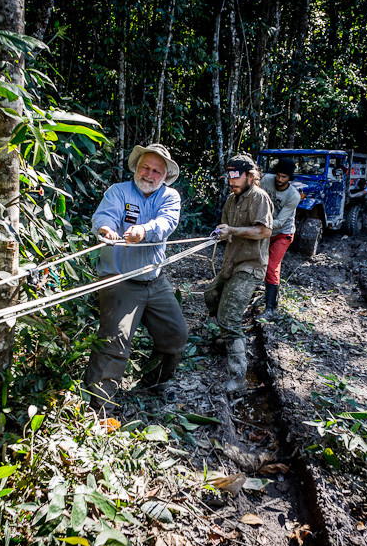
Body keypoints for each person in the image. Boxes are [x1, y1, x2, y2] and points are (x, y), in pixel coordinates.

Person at [86, 143, 189, 415]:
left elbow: (167, 223)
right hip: (119, 278)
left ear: (165, 176)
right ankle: (99, 406)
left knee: (176, 334)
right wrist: (106, 229)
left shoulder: (170, 196)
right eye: (145, 167)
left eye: (157, 170)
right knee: (115, 339)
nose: (150, 174)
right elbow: (104, 217)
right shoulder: (118, 191)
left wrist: (144, 230)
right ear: (136, 167)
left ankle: (155, 382)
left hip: (154, 279)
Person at [204, 154, 273, 395]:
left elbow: (264, 231)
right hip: (231, 262)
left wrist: (232, 229)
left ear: (250, 176)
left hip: (250, 265)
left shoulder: (259, 197)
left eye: (236, 176)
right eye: (230, 176)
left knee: (230, 315)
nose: (232, 181)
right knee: (211, 295)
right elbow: (228, 231)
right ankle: (227, 339)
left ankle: (238, 378)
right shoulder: (231, 200)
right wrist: (223, 233)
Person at [259, 158, 301, 318]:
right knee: (256, 259)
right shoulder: (267, 180)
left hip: (283, 232)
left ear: (290, 178)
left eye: (284, 177)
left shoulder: (293, 196)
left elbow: (280, 222)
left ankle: (271, 309)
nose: (279, 179)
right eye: (278, 175)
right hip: (265, 229)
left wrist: (257, 226)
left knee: (272, 265)